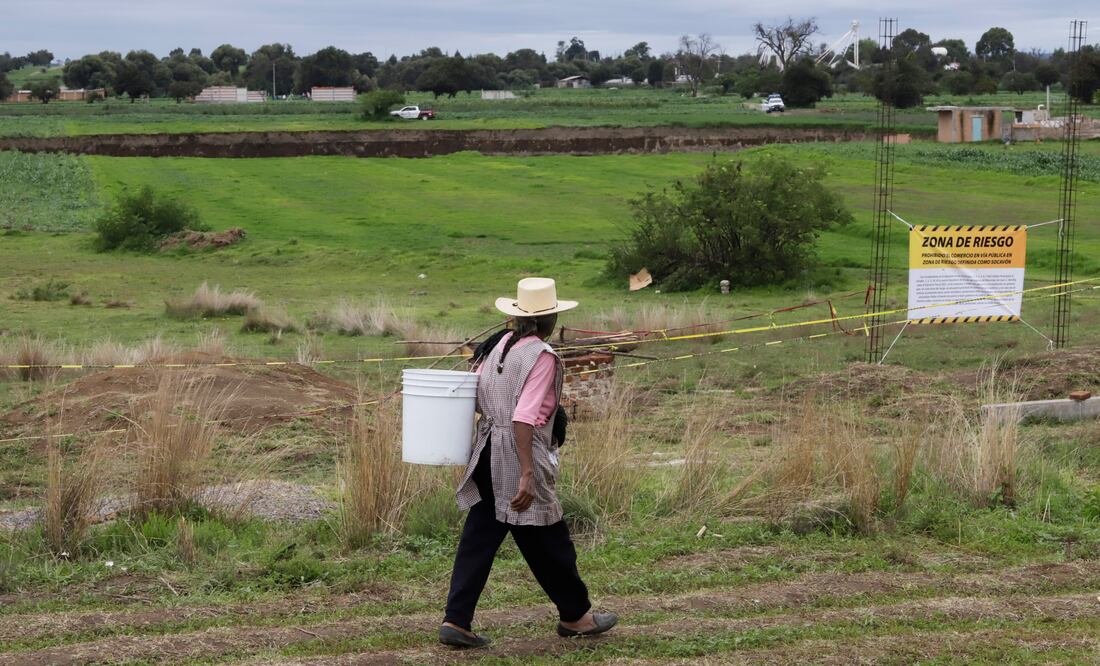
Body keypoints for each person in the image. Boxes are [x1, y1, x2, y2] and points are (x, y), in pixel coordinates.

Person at [439, 277, 618, 648]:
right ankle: (577, 617)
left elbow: (471, 394)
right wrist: (526, 472)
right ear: (549, 318)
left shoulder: (497, 345)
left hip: (486, 447)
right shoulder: (541, 356)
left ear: (518, 316)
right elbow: (523, 418)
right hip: (517, 452)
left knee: (483, 535)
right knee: (549, 537)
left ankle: (456, 621)